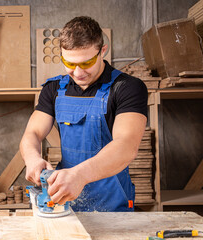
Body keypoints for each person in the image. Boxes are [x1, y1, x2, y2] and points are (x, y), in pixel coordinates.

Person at [19, 16, 148, 212]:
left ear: (102, 51)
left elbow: (126, 145)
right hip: (64, 200)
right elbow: (32, 134)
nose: (78, 72)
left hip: (112, 204)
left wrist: (79, 176)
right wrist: (32, 159)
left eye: (86, 63)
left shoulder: (127, 88)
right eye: (69, 64)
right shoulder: (54, 88)